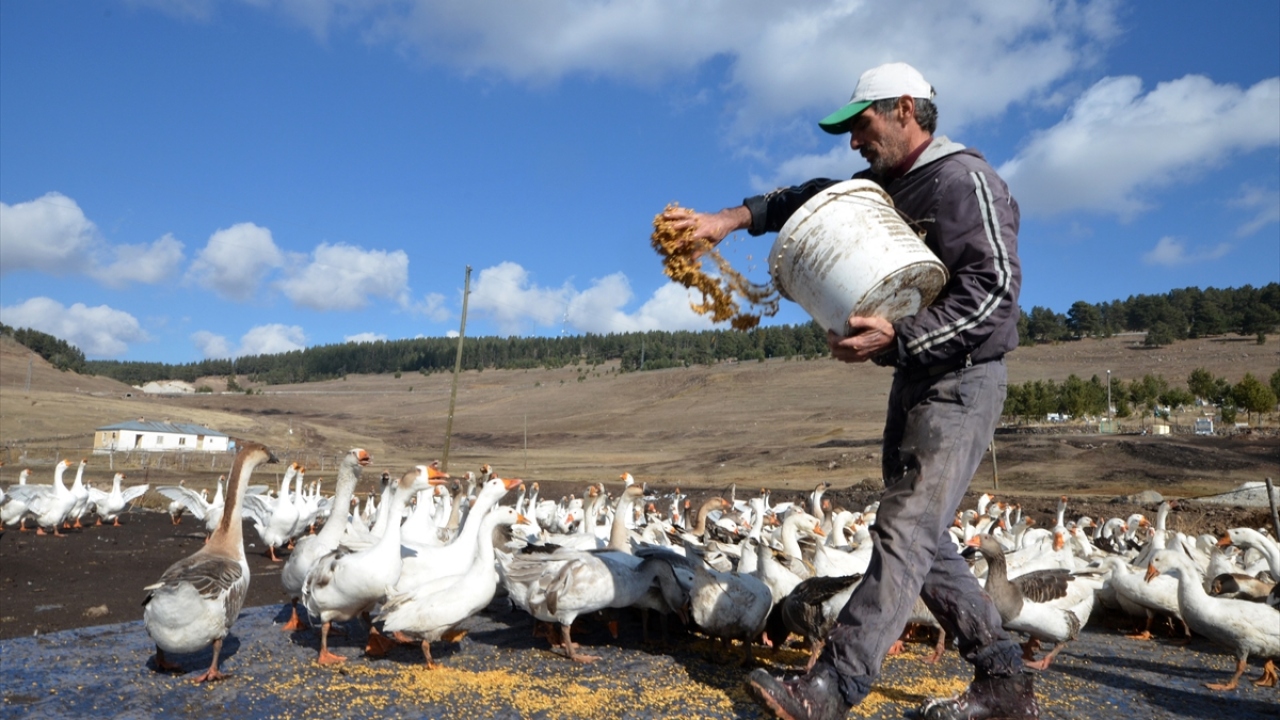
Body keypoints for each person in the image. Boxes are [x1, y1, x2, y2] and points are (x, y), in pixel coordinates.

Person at [660, 62, 1035, 720]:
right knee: (925, 539)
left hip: (965, 376)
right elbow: (802, 200)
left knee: (906, 527)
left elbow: (995, 294)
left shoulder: (962, 181)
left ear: (905, 110)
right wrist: (726, 219)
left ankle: (831, 686)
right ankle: (1005, 680)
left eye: (861, 126)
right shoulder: (878, 190)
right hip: (915, 377)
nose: (854, 142)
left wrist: (899, 335)